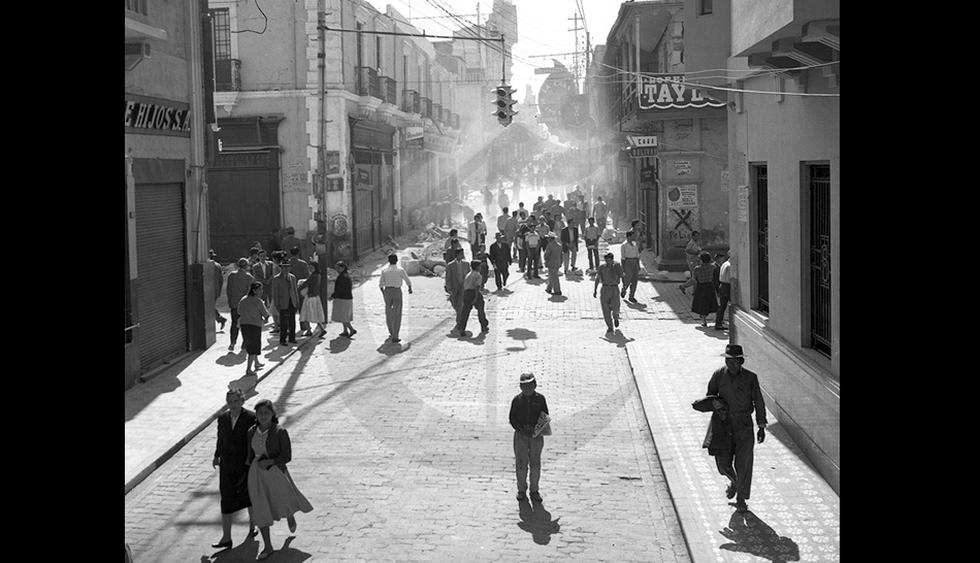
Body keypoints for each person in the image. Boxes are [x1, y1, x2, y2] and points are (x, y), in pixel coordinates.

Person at [246, 399, 314, 560]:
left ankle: (289, 513)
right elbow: (249, 453)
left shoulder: (280, 431)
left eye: (266, 413)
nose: (263, 416)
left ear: (273, 414)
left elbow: (286, 456)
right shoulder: (251, 431)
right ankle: (268, 546)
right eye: (260, 413)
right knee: (260, 508)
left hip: (276, 472)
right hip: (257, 474)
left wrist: (270, 461)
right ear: (256, 414)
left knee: (283, 499)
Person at [706, 344, 767, 513]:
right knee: (723, 463)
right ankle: (734, 481)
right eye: (728, 360)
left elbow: (759, 401)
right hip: (723, 425)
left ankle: (741, 498)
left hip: (744, 425)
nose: (730, 364)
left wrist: (761, 426)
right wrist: (715, 403)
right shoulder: (718, 375)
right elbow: (710, 396)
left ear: (741, 361)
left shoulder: (750, 378)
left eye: (734, 361)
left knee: (744, 463)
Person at [211, 388, 258, 550]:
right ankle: (226, 537)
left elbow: (256, 439)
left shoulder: (251, 417)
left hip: (245, 464)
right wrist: (217, 455)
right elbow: (221, 439)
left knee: (249, 496)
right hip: (227, 465)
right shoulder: (223, 418)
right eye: (230, 402)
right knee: (226, 498)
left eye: (236, 401)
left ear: (242, 401)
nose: (232, 405)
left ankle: (253, 525)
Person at [509, 372, 550, 503]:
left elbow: (545, 416)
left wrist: (535, 430)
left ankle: (534, 490)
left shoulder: (540, 399)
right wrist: (521, 429)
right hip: (521, 435)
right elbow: (512, 418)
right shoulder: (517, 400)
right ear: (520, 387)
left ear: (535, 385)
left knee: (535, 464)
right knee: (521, 463)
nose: (527, 388)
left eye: (529, 385)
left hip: (536, 436)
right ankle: (521, 490)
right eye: (524, 386)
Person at [379, 253, 413, 344]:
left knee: (388, 312)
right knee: (397, 313)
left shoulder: (384, 270)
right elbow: (407, 280)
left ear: (388, 261)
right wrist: (409, 288)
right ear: (397, 260)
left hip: (387, 291)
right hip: (397, 291)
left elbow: (381, 284)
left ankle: (391, 331)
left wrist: (384, 293)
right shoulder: (400, 270)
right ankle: (395, 335)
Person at [238, 282, 270, 375]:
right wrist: (265, 319)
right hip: (255, 326)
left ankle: (256, 363)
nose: (261, 291)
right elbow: (266, 314)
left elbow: (239, 311)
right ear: (254, 290)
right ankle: (248, 369)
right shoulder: (258, 301)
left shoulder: (243, 299)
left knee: (250, 344)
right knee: (253, 347)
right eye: (260, 289)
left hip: (244, 326)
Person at [680, 251, 719, 327]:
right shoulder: (713, 267)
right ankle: (717, 320)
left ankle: (704, 322)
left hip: (701, 287)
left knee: (702, 304)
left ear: (701, 260)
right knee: (713, 303)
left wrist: (684, 286)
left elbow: (693, 280)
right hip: (710, 287)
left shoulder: (697, 269)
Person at [451, 260, 489, 337]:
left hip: (466, 294)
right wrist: (475, 297)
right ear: (477, 267)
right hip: (474, 293)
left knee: (465, 312)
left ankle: (462, 328)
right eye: (480, 266)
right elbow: (477, 286)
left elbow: (465, 286)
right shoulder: (478, 275)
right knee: (480, 310)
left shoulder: (468, 275)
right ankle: (483, 326)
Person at [226, 258, 254, 351]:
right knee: (245, 324)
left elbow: (228, 290)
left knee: (234, 323)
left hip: (234, 304)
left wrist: (230, 301)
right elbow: (250, 293)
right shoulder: (249, 277)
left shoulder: (231, 275)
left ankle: (232, 343)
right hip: (245, 305)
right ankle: (244, 343)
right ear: (246, 266)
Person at [593, 252, 624, 335]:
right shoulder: (602, 268)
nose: (608, 262)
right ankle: (610, 327)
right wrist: (595, 290)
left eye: (609, 260)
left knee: (616, 306)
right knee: (605, 309)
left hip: (614, 288)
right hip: (605, 288)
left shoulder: (617, 266)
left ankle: (616, 317)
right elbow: (597, 278)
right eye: (606, 260)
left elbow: (622, 276)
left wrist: (624, 288)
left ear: (612, 260)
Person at [271, 259, 300, 346]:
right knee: (283, 322)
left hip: (292, 302)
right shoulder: (276, 279)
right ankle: (282, 340)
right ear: (281, 268)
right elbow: (275, 293)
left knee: (292, 321)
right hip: (283, 303)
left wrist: (297, 301)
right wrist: (276, 304)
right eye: (284, 267)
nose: (286, 269)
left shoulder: (293, 277)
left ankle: (292, 338)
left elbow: (295, 290)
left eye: (288, 267)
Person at [298, 261, 326, 338]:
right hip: (315, 296)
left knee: (306, 313)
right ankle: (318, 329)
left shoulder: (313, 276)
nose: (310, 268)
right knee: (314, 313)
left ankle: (310, 330)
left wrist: (298, 288)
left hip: (310, 296)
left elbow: (306, 283)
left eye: (311, 267)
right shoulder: (318, 275)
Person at [330, 261, 356, 338]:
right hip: (345, 298)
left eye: (338, 268)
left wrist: (333, 296)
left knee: (343, 316)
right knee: (343, 315)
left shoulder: (343, 277)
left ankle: (351, 329)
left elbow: (339, 289)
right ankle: (345, 330)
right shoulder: (344, 275)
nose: (337, 269)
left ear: (343, 268)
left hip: (343, 299)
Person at [444, 248, 468, 314]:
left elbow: (468, 277)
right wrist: (449, 288)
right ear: (457, 255)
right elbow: (448, 278)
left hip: (463, 287)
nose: (463, 255)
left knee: (460, 305)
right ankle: (459, 314)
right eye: (461, 254)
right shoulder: (450, 265)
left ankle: (459, 321)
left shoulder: (466, 264)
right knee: (455, 304)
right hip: (454, 287)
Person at [620, 230, 641, 303]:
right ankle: (624, 290)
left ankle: (631, 296)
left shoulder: (635, 244)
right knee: (627, 280)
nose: (634, 237)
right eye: (633, 236)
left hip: (634, 262)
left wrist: (638, 265)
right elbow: (622, 257)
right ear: (629, 236)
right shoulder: (624, 245)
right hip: (627, 262)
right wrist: (623, 268)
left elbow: (637, 255)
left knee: (635, 280)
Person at [209, 250, 227, 331]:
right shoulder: (218, 265)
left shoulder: (208, 266)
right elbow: (221, 280)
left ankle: (220, 319)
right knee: (210, 307)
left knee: (209, 308)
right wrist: (219, 291)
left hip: (208, 291)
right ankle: (220, 319)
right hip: (215, 290)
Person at [715, 253, 733, 331]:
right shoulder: (729, 266)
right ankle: (732, 322)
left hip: (722, 285)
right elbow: (730, 278)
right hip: (727, 286)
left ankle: (718, 323)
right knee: (733, 305)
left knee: (722, 306)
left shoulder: (724, 264)